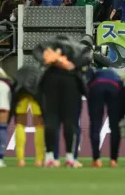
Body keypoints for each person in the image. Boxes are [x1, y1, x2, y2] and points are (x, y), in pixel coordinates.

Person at [33, 36, 90, 168]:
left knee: (51, 118)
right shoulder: (77, 47)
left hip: (50, 79)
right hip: (71, 80)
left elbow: (37, 52)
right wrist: (70, 64)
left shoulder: (47, 44)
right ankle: (70, 157)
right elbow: (87, 58)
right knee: (71, 120)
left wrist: (53, 60)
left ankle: (50, 157)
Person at [86, 66, 123, 168]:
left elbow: (87, 86)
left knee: (95, 125)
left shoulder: (94, 73)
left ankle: (96, 159)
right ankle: (113, 160)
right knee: (115, 126)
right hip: (114, 88)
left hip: (96, 87)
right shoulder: (115, 74)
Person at [11, 63, 45, 167]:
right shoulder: (39, 73)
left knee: (20, 123)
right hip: (35, 93)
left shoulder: (20, 73)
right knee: (39, 124)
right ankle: (39, 160)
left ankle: (21, 160)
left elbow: (13, 85)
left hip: (21, 92)